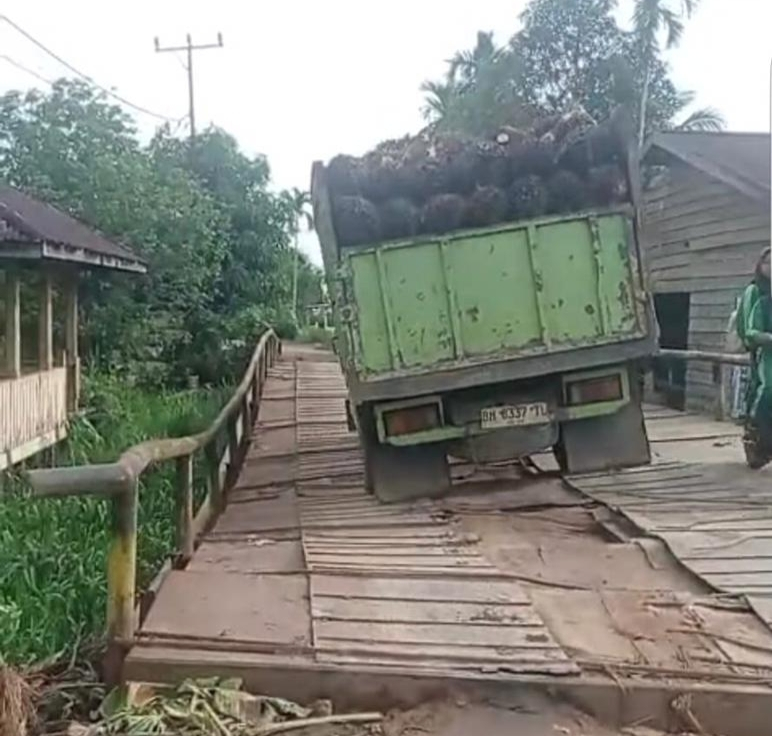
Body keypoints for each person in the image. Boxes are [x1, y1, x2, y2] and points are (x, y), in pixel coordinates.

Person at [738, 248, 772, 467]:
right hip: (760, 347)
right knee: (763, 389)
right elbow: (748, 327)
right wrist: (756, 341)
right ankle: (755, 436)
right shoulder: (755, 291)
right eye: (767, 263)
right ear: (760, 266)